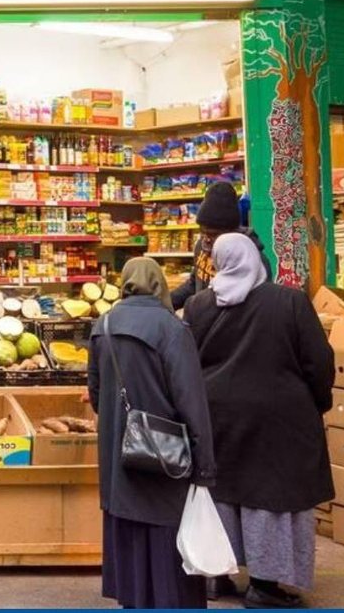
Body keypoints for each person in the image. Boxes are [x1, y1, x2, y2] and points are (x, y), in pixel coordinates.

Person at [183, 233, 335, 609]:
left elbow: (189, 361)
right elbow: (318, 362)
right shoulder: (290, 301)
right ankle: (266, 584)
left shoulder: (199, 305)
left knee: (223, 494)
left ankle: (215, 575)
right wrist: (318, 402)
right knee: (271, 498)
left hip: (217, 416)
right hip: (279, 420)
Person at [90, 257, 217, 609]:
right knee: (166, 546)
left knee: (128, 536)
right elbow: (191, 399)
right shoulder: (171, 329)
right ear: (160, 284)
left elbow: (96, 395)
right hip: (165, 457)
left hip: (120, 457)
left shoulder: (104, 325)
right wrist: (204, 464)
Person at [170, 180, 269, 310]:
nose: (206, 239)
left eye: (212, 234)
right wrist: (165, 303)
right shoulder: (201, 246)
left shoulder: (252, 259)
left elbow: (258, 305)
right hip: (203, 320)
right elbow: (194, 283)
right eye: (202, 232)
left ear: (232, 231)